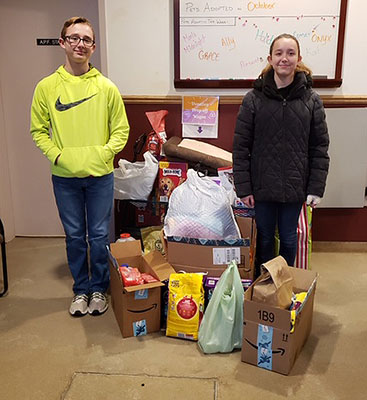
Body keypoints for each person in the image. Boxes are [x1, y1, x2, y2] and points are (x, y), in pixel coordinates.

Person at [30, 17, 129, 317]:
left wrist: (102, 155)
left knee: (98, 236)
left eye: (86, 40)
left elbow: (121, 131)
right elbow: (38, 131)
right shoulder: (46, 87)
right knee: (74, 236)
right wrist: (59, 157)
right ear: (62, 43)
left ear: (94, 47)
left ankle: (98, 288)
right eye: (73, 38)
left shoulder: (106, 88)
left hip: (100, 176)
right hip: (64, 178)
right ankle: (80, 290)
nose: (80, 44)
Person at [233, 33, 329, 271]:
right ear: (270, 58)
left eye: (290, 53)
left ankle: (282, 286)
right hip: (262, 186)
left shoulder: (311, 100)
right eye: (279, 53)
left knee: (288, 238)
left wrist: (315, 188)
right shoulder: (253, 99)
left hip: (295, 187)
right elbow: (240, 146)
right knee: (264, 238)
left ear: (299, 58)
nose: (284, 58)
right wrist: (244, 188)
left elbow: (319, 147)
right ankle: (264, 287)